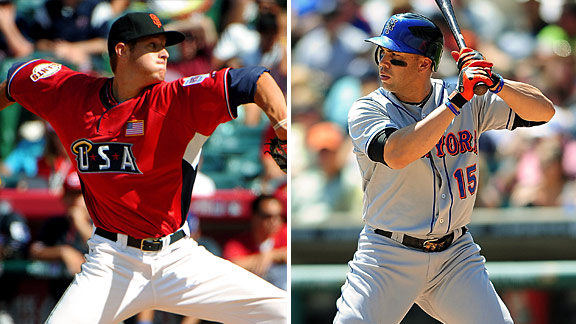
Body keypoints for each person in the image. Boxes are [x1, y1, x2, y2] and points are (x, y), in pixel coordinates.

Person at [0, 11, 287, 324]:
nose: (165, 53)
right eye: (152, 45)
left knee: (282, 312)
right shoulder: (71, 94)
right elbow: (16, 82)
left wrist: (282, 124)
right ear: (122, 51)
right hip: (112, 261)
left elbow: (255, 79)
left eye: (164, 45)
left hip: (178, 259)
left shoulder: (176, 99)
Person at [333, 12, 555, 324]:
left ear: (424, 64)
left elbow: (544, 112)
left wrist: (496, 82)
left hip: (455, 256)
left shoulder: (463, 98)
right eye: (381, 53)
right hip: (388, 254)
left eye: (396, 58)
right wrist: (455, 102)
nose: (383, 64)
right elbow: (398, 153)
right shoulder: (368, 107)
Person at [223, 194, 287, 290]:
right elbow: (231, 266)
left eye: (278, 216)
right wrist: (260, 258)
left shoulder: (284, 232)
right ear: (255, 217)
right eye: (267, 216)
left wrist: (271, 255)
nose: (274, 221)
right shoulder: (239, 242)